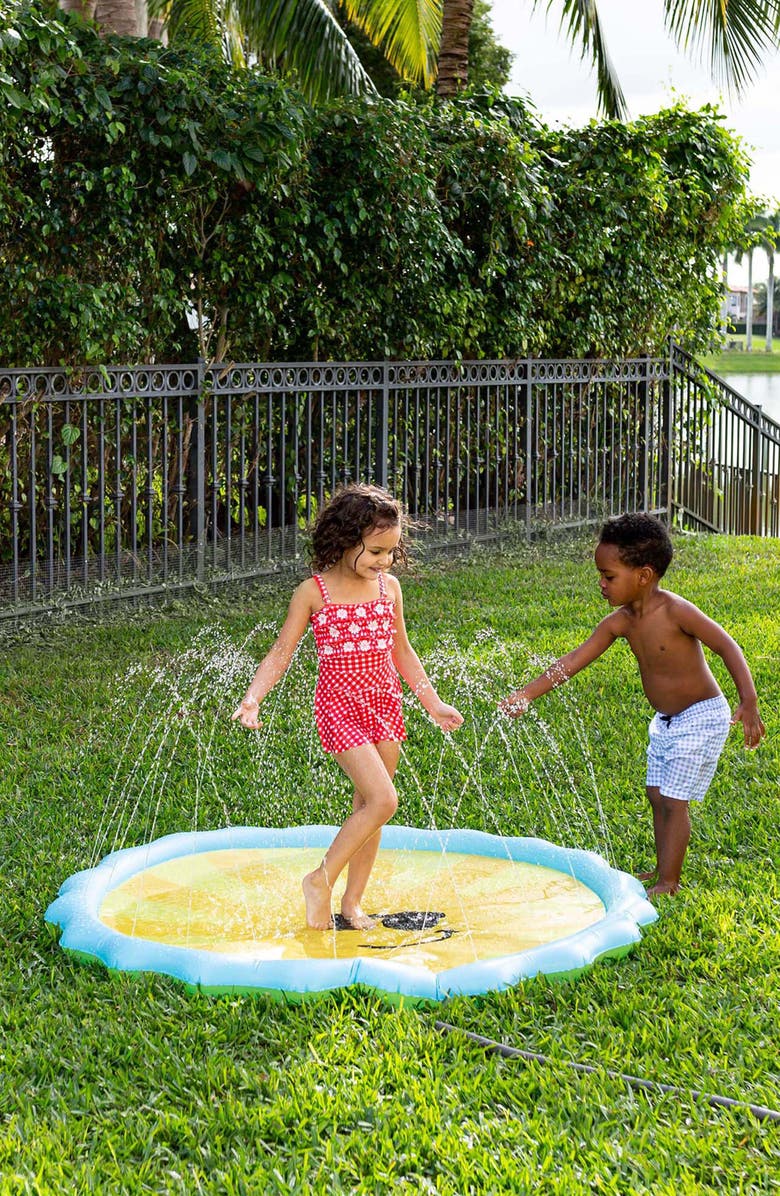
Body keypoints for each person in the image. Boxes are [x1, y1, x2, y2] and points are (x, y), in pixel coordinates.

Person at [232, 483, 463, 930]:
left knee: (369, 809)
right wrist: (253, 697)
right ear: (343, 539)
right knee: (384, 800)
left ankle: (352, 902)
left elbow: (403, 652)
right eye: (375, 551)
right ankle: (320, 879)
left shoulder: (388, 589)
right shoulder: (313, 592)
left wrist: (432, 703)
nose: (384, 561)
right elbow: (281, 652)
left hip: (385, 706)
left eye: (391, 552)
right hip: (339, 709)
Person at [500, 513, 765, 897]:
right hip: (666, 721)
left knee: (673, 799)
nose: (601, 584)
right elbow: (572, 661)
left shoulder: (676, 611)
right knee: (656, 795)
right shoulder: (619, 622)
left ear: (643, 575)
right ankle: (662, 869)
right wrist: (527, 693)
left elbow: (727, 645)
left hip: (702, 715)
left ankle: (669, 883)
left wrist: (749, 700)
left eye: (609, 576)